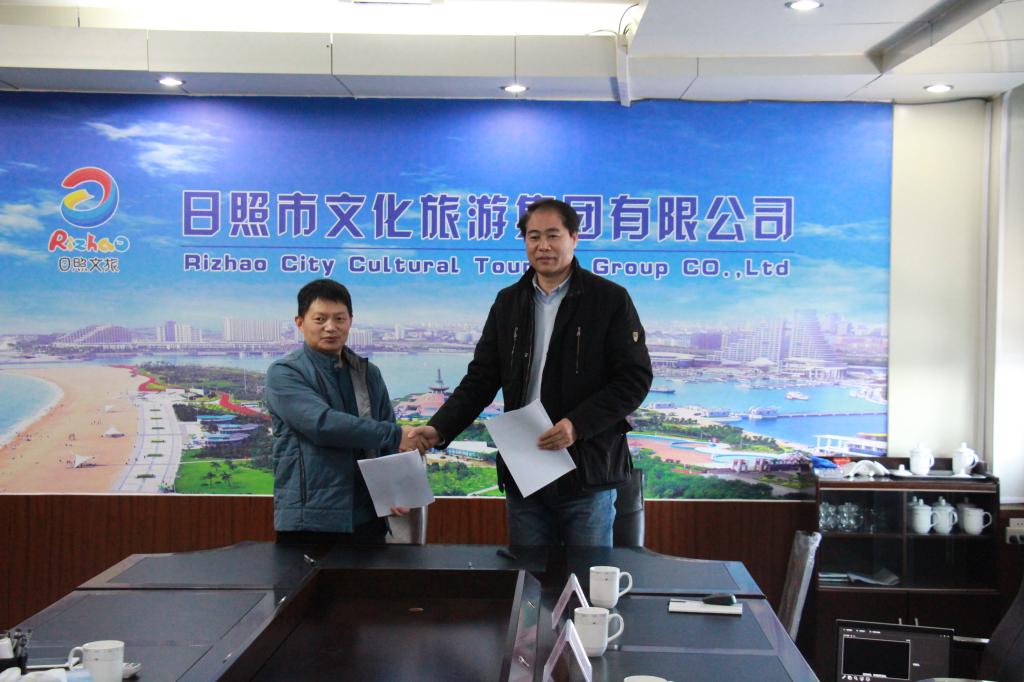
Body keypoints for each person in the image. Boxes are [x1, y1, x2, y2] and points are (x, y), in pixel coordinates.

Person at [415, 199, 652, 546]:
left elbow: (634, 380)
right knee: (527, 573)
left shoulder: (609, 300)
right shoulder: (508, 302)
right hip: (525, 469)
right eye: (533, 236)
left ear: (574, 238)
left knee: (586, 575)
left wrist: (577, 425)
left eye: (553, 235)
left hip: (587, 469)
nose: (543, 246)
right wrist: (439, 428)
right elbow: (481, 379)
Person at [265, 278, 422, 547]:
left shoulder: (367, 373)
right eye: (320, 319)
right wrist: (397, 434)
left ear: (350, 321)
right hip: (310, 520)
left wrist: (395, 490)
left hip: (368, 518)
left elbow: (386, 435)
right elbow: (322, 425)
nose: (331, 327)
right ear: (299, 322)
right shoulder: (285, 372)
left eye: (339, 318)